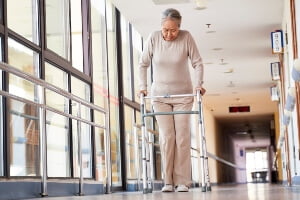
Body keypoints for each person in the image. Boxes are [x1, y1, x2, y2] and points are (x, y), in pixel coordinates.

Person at [138, 8, 206, 192]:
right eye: (165, 30)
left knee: (182, 138)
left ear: (179, 27)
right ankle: (168, 181)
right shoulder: (153, 38)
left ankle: (182, 181)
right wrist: (143, 87)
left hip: (183, 96)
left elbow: (198, 63)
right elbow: (143, 64)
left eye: (173, 30)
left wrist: (198, 85)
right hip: (159, 96)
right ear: (161, 26)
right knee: (168, 138)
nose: (168, 34)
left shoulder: (186, 37)